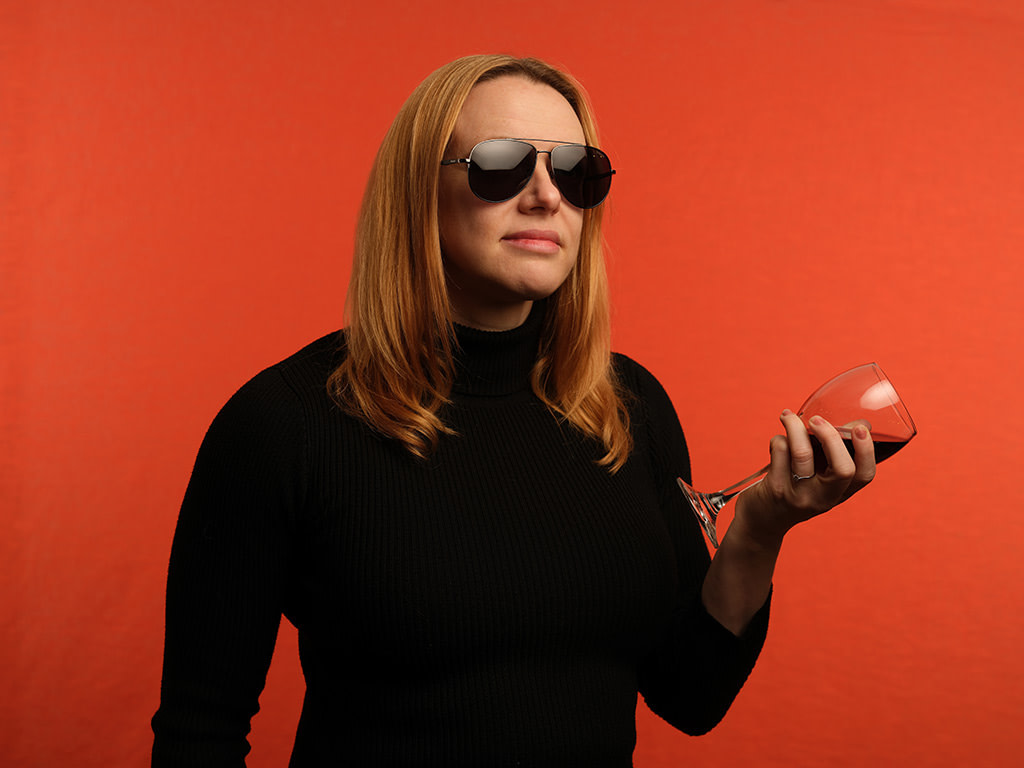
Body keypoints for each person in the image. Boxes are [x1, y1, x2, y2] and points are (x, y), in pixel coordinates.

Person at [151, 54, 877, 767]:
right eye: (500, 164)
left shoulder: (630, 409)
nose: (544, 196)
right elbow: (198, 730)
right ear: (416, 193)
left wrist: (758, 531)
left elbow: (689, 697)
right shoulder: (285, 424)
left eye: (574, 170)